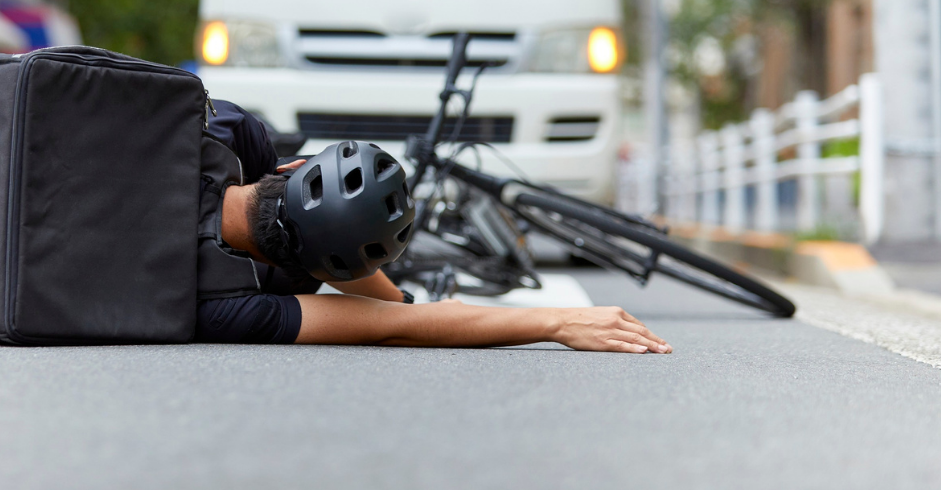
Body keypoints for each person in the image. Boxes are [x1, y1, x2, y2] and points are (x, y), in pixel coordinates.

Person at [200, 100, 672, 355]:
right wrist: (561, 321)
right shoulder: (229, 310)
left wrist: (401, 303)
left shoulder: (220, 134)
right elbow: (393, 326)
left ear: (294, 166)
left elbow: (397, 318)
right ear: (291, 164)